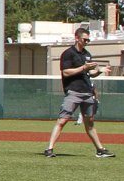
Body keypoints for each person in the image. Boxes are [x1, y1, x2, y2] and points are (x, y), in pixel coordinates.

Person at [45, 26, 115, 159]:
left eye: (88, 40)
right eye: (85, 39)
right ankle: (49, 149)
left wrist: (100, 70)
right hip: (74, 92)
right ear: (77, 38)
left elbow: (90, 74)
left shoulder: (87, 54)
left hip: (87, 93)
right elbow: (66, 72)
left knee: (90, 123)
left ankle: (100, 150)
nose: (87, 42)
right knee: (62, 120)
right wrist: (83, 67)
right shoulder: (68, 53)